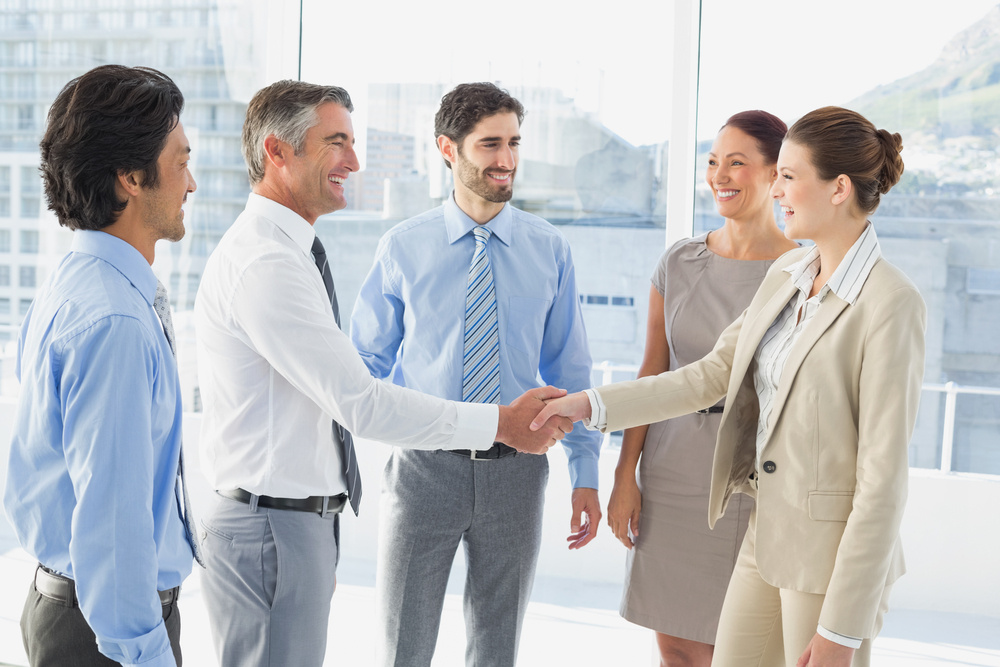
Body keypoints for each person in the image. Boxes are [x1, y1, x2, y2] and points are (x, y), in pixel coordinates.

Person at [531, 106, 926, 667]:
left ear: (839, 188)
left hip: (825, 559)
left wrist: (842, 628)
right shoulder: (788, 278)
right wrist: (585, 405)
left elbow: (882, 482)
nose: (779, 190)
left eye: (789, 176)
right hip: (762, 536)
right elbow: (705, 377)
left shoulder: (890, 302)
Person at [194, 80, 570, 667]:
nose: (354, 161)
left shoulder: (290, 253)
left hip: (301, 519)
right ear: (277, 151)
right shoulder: (272, 262)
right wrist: (500, 423)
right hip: (290, 517)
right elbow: (361, 397)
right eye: (336, 142)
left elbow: (337, 391)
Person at [351, 82, 603, 667]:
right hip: (423, 470)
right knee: (402, 646)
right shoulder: (402, 248)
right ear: (448, 148)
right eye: (490, 144)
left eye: (514, 142)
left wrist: (585, 472)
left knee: (497, 647)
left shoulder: (549, 249)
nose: (506, 160)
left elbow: (572, 370)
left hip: (519, 475)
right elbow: (363, 368)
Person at [3, 65, 198, 667]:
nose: (191, 183)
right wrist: (146, 653)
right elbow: (113, 523)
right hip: (107, 632)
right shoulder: (115, 321)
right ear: (132, 177)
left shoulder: (77, 281)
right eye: (181, 161)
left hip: (76, 611)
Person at [606, 110, 798, 666]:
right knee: (675, 651)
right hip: (669, 474)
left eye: (737, 163)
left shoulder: (801, 272)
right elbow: (653, 374)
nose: (720, 175)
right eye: (713, 162)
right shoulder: (679, 262)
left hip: (748, 480)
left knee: (733, 649)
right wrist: (625, 477)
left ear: (774, 174)